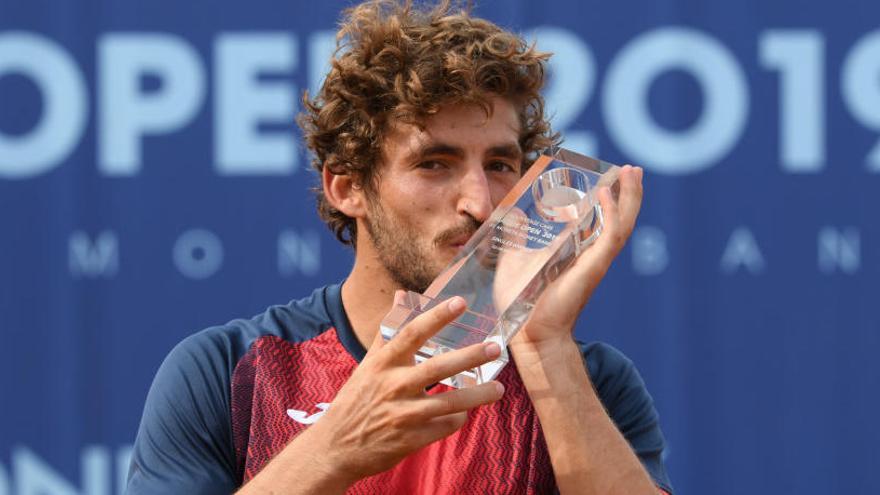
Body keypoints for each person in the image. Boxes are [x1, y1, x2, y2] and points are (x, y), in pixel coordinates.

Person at [126, 1, 673, 494]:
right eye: (434, 163)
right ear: (348, 187)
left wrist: (546, 347)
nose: (480, 204)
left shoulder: (590, 379)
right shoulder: (228, 371)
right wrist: (334, 450)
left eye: (501, 165)